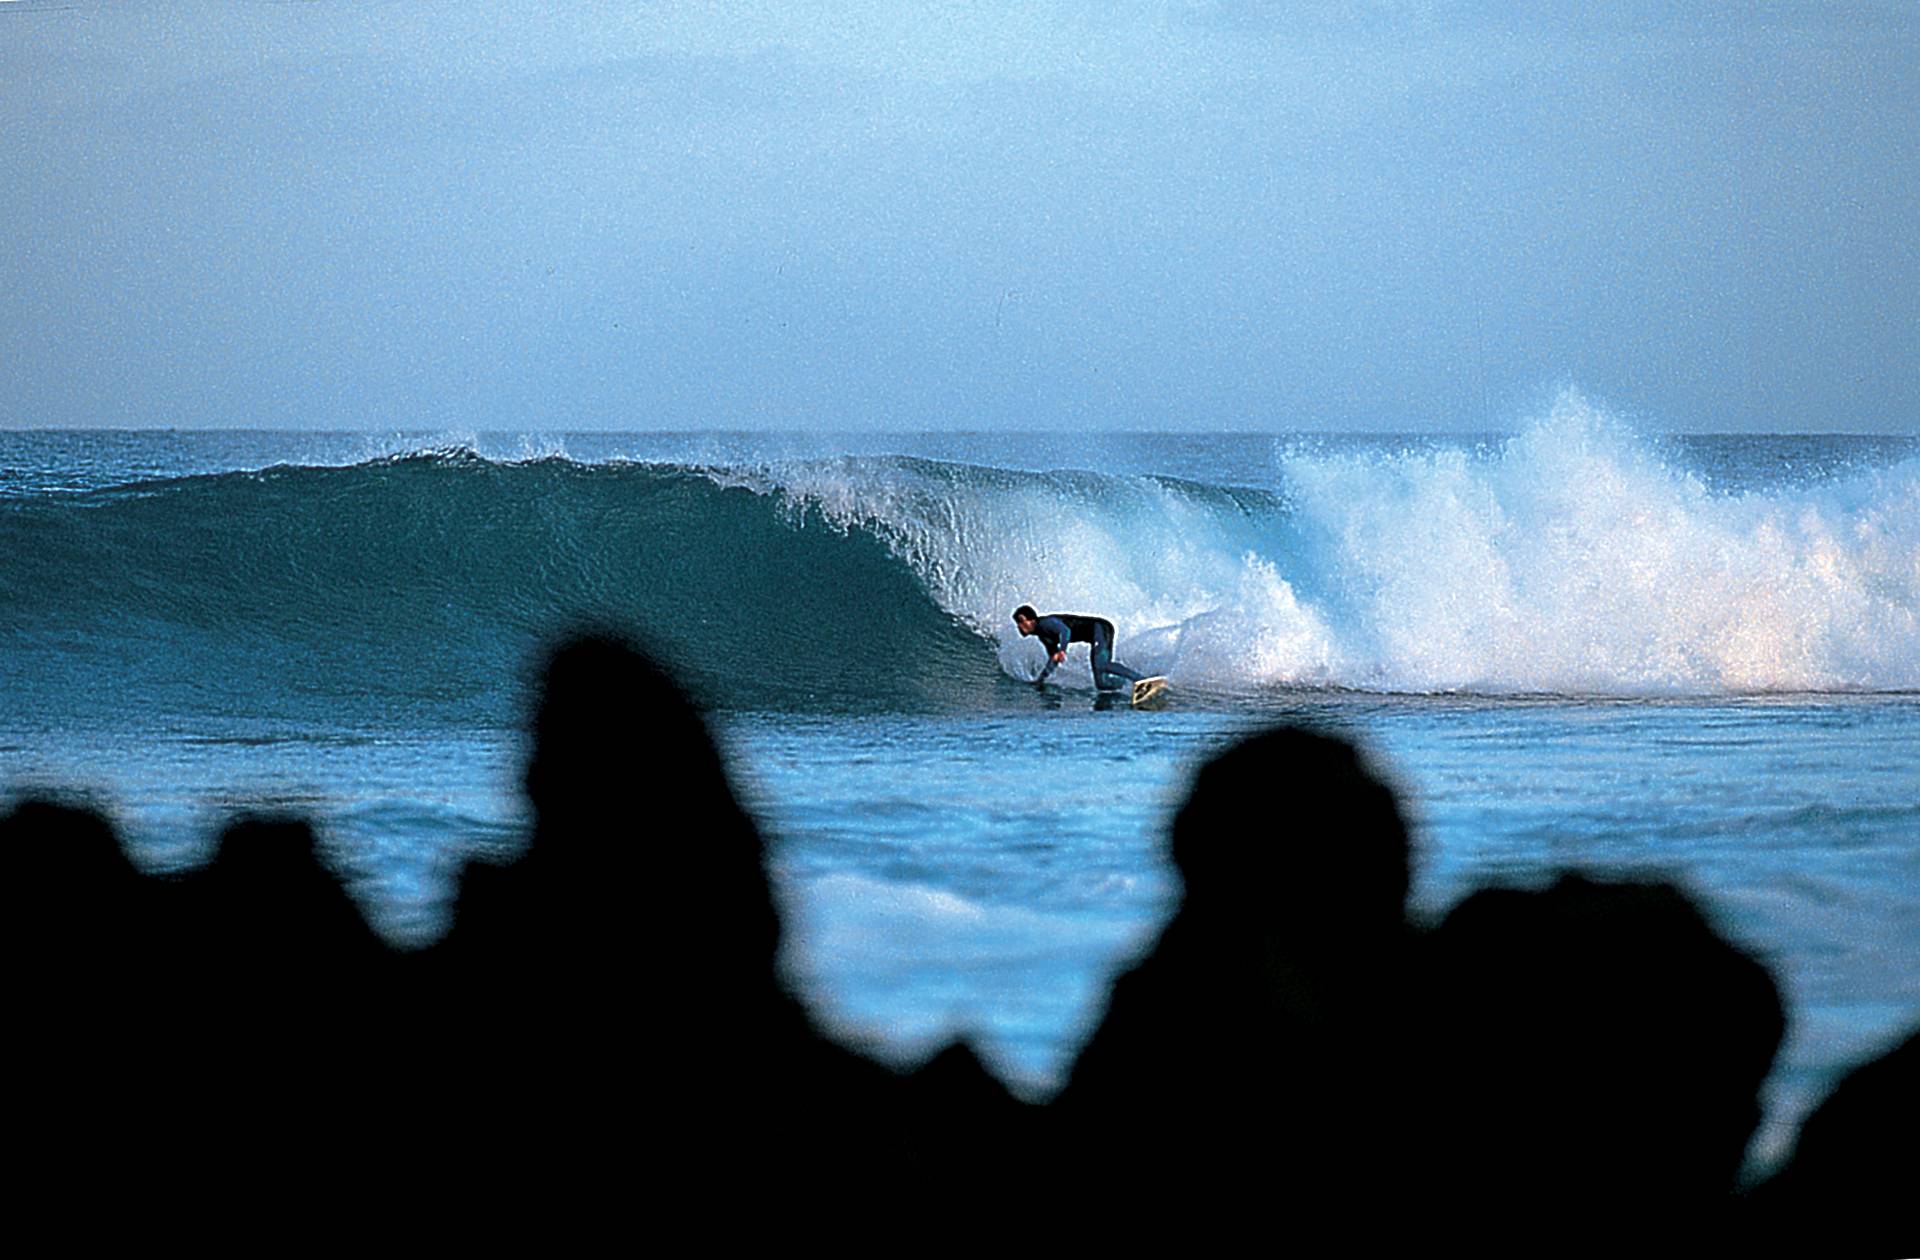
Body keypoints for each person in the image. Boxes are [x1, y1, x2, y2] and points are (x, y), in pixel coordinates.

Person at [1012, 604, 1146, 692]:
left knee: (1102, 665)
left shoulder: (1046, 623)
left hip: (1100, 628)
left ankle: (1141, 680)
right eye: (1017, 623)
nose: (1019, 626)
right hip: (1095, 636)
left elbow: (1065, 631)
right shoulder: (1043, 636)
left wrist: (1062, 650)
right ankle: (1129, 685)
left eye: (1021, 621)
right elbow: (1054, 659)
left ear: (1032, 620)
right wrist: (1041, 680)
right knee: (1102, 684)